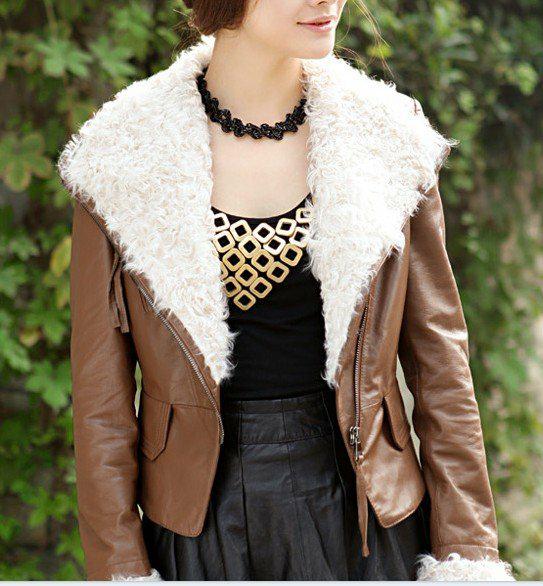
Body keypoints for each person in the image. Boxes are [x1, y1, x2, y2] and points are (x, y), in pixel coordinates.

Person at [57, 0, 515, 581]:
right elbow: (101, 405)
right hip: (197, 526)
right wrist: (119, 568)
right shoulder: (121, 158)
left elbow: (442, 369)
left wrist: (467, 556)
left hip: (366, 514)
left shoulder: (388, 142)